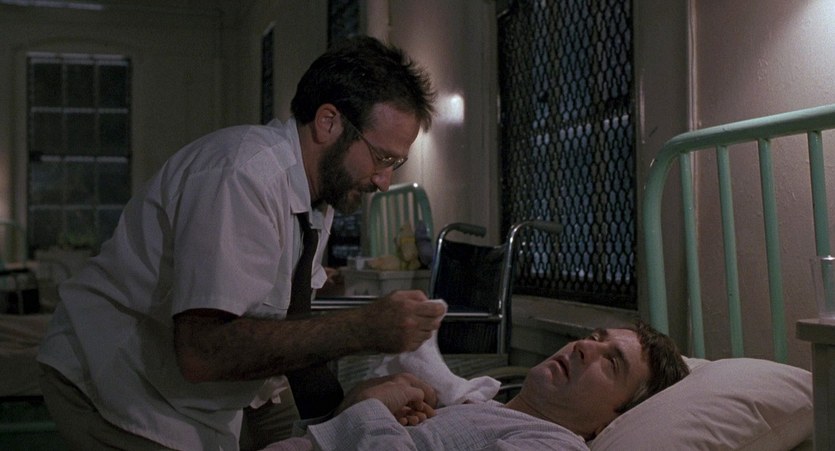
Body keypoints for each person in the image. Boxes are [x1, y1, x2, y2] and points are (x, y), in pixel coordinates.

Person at [36, 35, 446, 451]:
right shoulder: (242, 175)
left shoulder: (316, 197)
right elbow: (203, 351)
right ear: (328, 122)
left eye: (396, 163)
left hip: (202, 389)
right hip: (117, 380)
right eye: (382, 158)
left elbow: (287, 324)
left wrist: (354, 407)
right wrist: (362, 330)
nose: (384, 181)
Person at [264, 321, 690, 450]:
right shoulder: (487, 408)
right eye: (594, 337)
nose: (584, 347)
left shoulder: (553, 445)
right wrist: (358, 404)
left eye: (611, 362)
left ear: (612, 421)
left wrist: (371, 408)